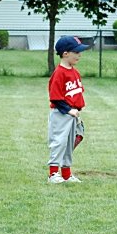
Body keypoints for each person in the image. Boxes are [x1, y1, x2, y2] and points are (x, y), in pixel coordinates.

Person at [47, 35, 90, 183]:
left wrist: (76, 111)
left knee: (69, 144)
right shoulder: (59, 73)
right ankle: (53, 174)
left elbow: (77, 93)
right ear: (65, 54)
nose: (79, 55)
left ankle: (66, 174)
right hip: (61, 113)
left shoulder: (74, 72)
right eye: (76, 52)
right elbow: (55, 97)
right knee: (59, 142)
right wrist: (68, 110)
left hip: (72, 114)